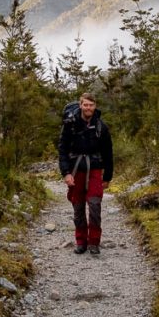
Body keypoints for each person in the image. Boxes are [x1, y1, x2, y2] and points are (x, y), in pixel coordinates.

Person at [58, 92, 113, 255]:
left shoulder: (101, 127)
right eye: (85, 105)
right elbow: (62, 150)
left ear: (95, 106)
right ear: (80, 105)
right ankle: (81, 241)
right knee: (78, 206)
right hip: (76, 169)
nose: (88, 108)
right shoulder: (70, 124)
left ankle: (94, 242)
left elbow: (108, 152)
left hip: (95, 169)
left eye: (91, 105)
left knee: (95, 204)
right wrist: (66, 173)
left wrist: (107, 176)